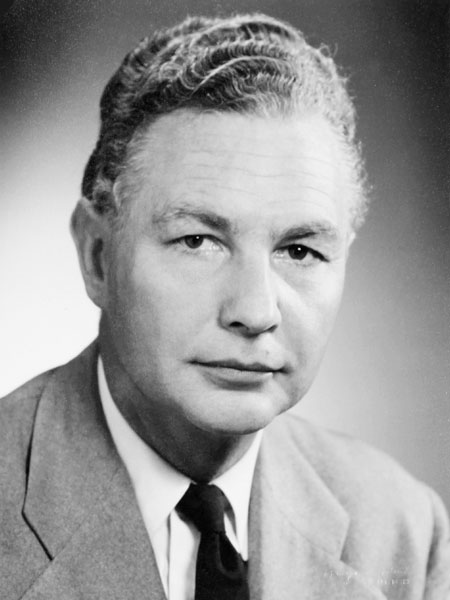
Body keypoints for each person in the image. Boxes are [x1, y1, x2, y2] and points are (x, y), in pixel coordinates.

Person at [1, 12, 449, 600]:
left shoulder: (404, 529)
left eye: (300, 250)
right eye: (198, 241)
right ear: (98, 257)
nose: (256, 312)